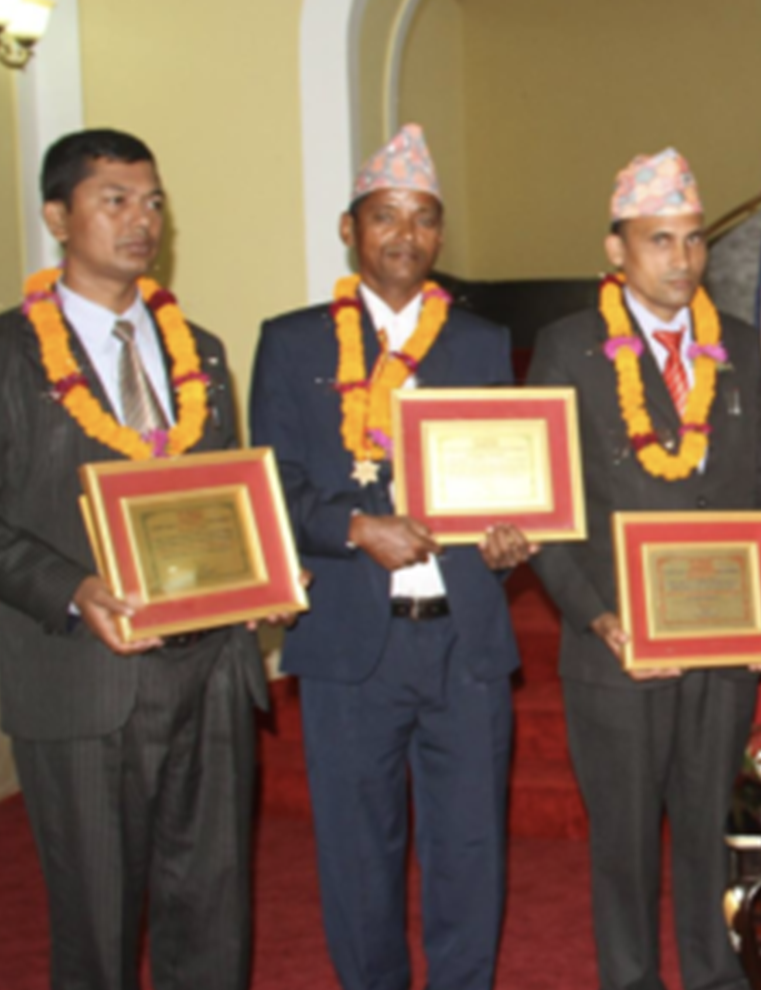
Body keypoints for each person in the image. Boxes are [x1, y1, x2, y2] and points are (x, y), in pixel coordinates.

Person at [252, 124, 534, 990]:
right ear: (350, 229)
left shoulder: (483, 345)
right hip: (349, 645)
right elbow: (273, 488)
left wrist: (512, 540)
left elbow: (512, 475)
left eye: (421, 219)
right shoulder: (294, 344)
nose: (403, 236)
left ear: (439, 235)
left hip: (464, 640)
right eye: (385, 217)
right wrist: (355, 528)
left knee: (471, 849)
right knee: (354, 853)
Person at [526, 148, 761, 990]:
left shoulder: (742, 348)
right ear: (616, 250)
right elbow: (547, 506)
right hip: (618, 646)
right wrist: (594, 614)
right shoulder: (570, 349)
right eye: (660, 241)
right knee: (622, 842)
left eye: (693, 241)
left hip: (724, 636)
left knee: (705, 831)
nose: (682, 261)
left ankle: (716, 977)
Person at [0, 129, 269, 990]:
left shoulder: (204, 352)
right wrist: (74, 589)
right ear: (56, 215)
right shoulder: (7, 356)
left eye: (152, 201)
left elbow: (225, 500)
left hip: (212, 671)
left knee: (213, 910)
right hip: (82, 675)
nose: (141, 220)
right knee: (98, 926)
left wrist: (262, 576)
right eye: (113, 199)